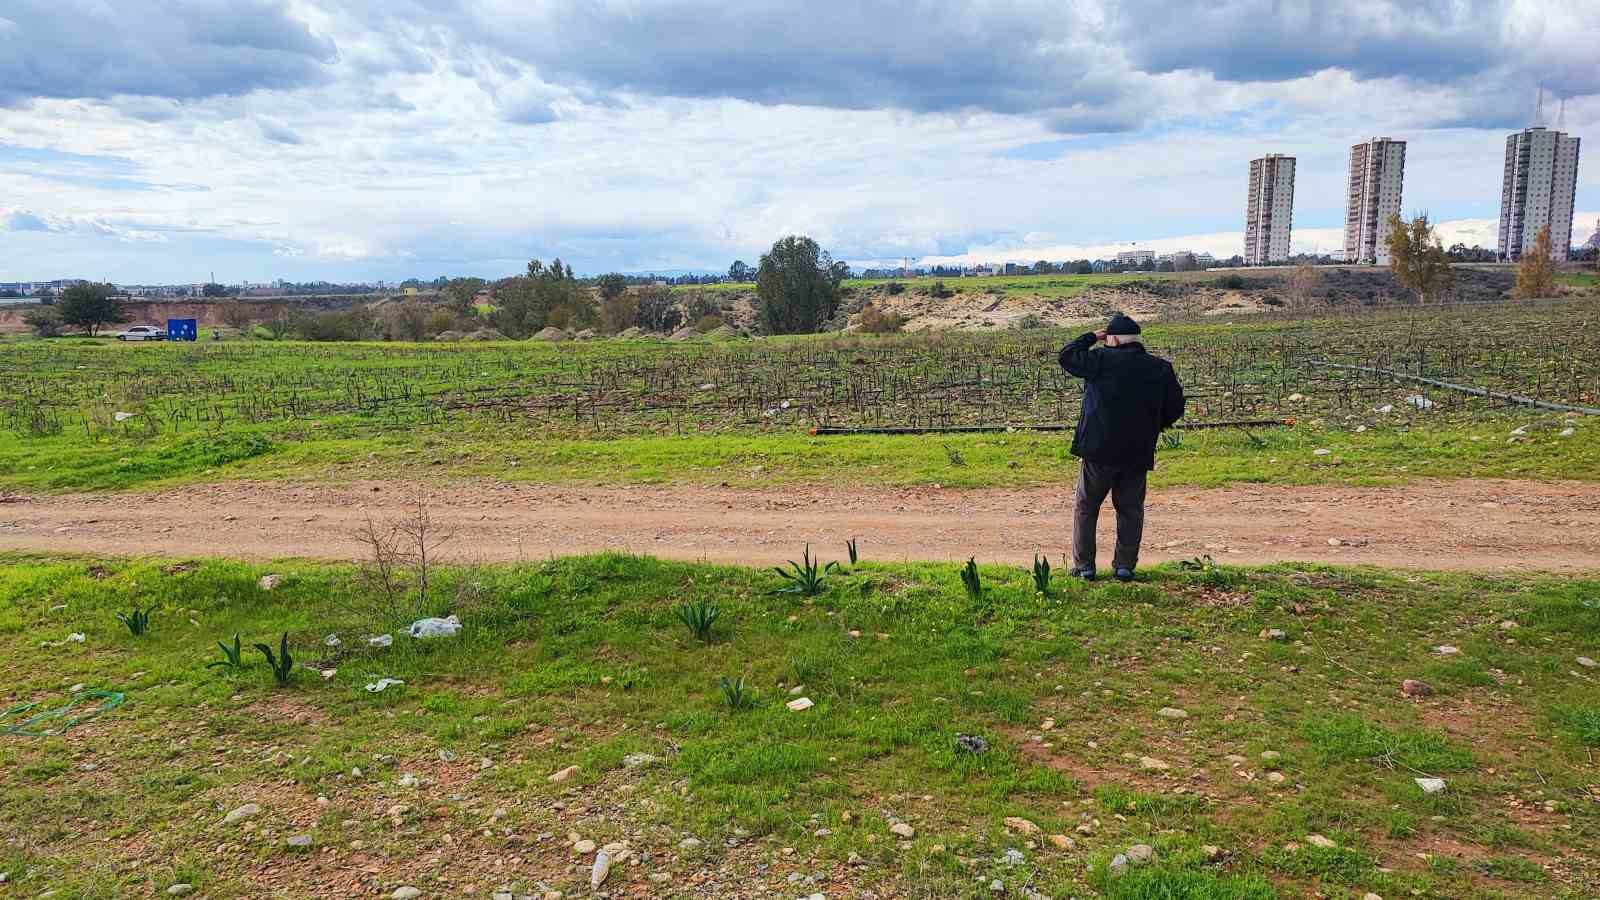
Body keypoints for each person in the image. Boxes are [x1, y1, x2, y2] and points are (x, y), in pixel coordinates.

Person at [1058, 314, 1184, 582]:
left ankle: (1085, 567)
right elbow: (1175, 407)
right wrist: (1155, 425)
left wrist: (1092, 336)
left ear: (1113, 340)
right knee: (1130, 510)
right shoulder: (1160, 368)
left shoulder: (1100, 360)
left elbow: (1067, 356)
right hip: (1137, 451)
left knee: (1086, 507)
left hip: (1098, 450)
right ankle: (1124, 566)